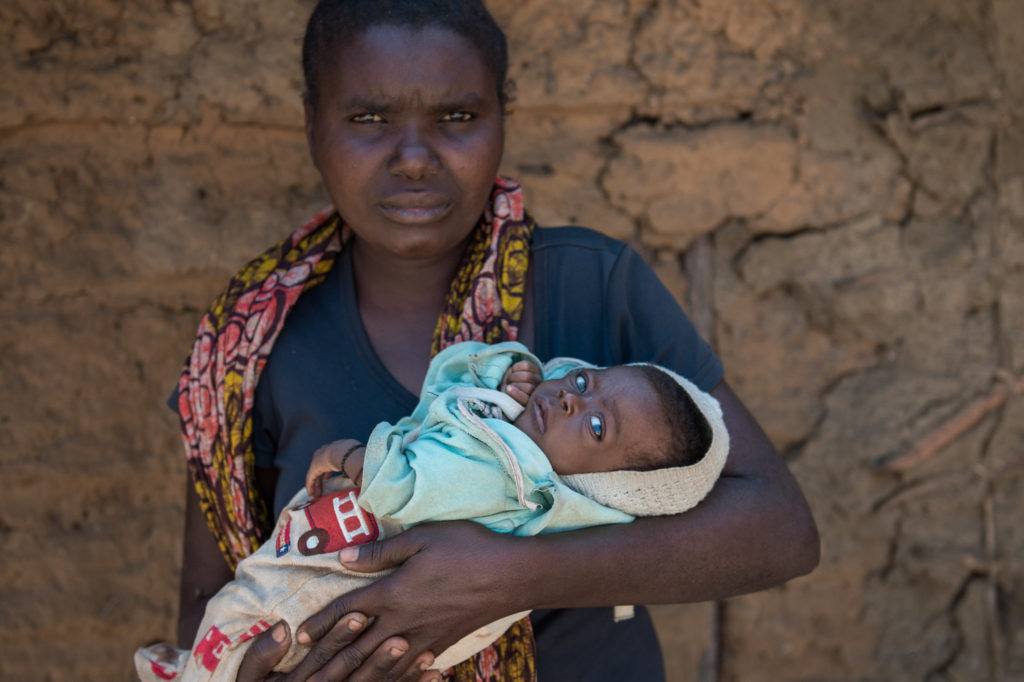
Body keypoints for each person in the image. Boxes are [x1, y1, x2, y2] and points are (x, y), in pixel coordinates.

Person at [171, 1, 820, 681]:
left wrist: (510, 576)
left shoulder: (589, 285)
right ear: (312, 122)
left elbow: (778, 529)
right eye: (368, 119)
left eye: (457, 117)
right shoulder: (250, 344)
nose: (415, 159)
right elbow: (202, 604)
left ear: (502, 117)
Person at [139, 341, 729, 681]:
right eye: (584, 378)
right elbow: (445, 390)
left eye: (597, 427)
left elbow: (404, 490)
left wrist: (346, 454)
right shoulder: (514, 434)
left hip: (329, 584)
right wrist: (505, 370)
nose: (572, 395)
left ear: (611, 487)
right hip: (333, 556)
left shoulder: (512, 478)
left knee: (251, 613)